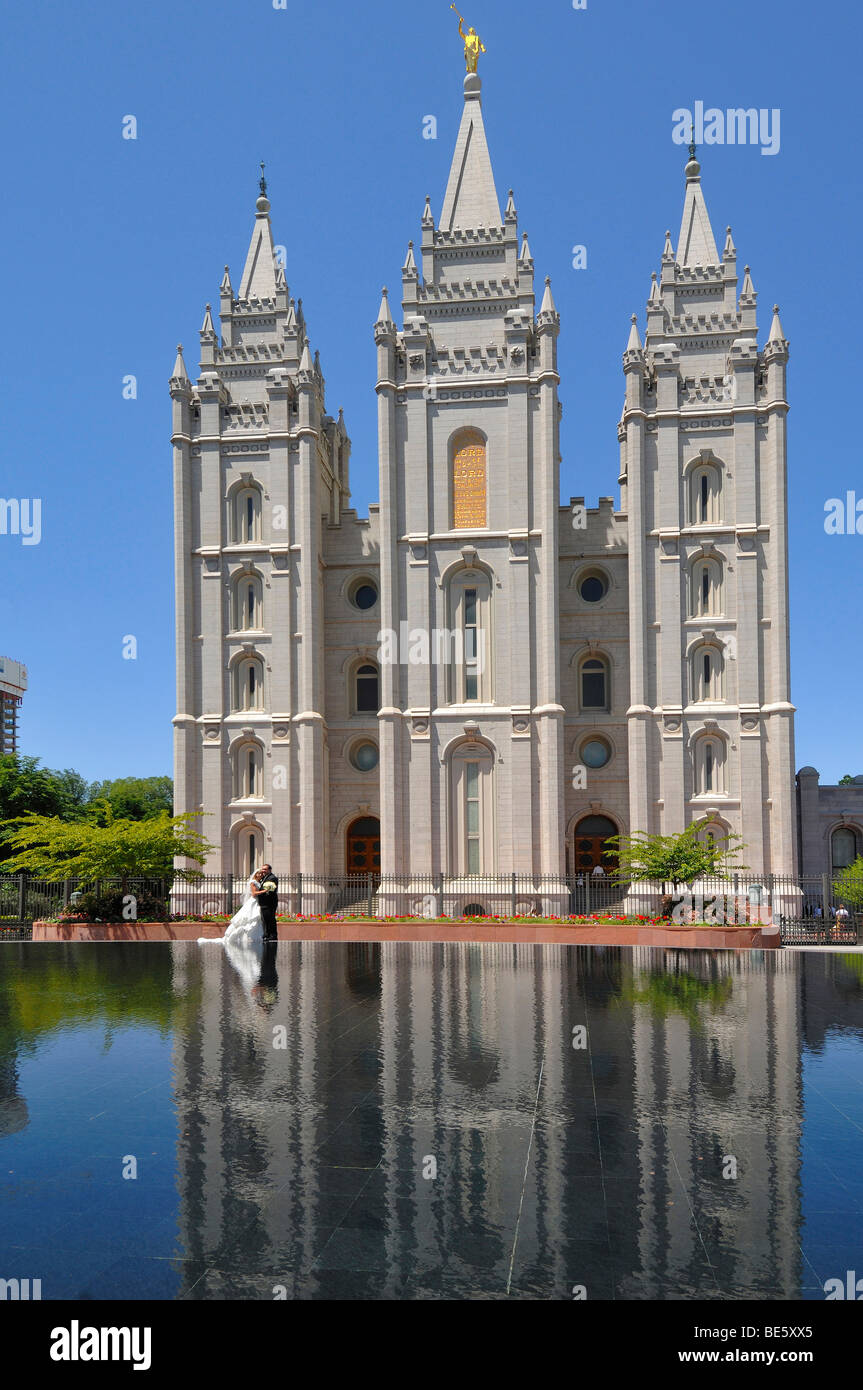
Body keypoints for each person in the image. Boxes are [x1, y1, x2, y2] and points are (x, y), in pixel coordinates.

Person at [198, 869, 265, 946]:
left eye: (261, 874)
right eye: (259, 874)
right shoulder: (253, 882)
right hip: (254, 901)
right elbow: (254, 894)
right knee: (250, 917)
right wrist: (265, 891)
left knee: (256, 918)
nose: (260, 875)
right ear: (256, 874)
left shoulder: (259, 882)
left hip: (257, 901)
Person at [256, 863, 279, 941]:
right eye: (263, 869)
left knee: (270, 919)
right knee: (265, 919)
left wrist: (261, 893)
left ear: (269, 870)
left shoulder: (272, 878)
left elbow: (271, 891)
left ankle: (272, 935)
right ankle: (267, 934)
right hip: (264, 903)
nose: (263, 871)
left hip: (269, 903)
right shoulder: (264, 877)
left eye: (265, 869)